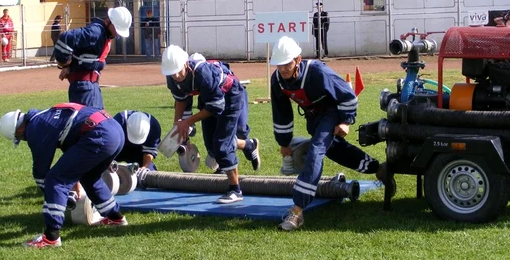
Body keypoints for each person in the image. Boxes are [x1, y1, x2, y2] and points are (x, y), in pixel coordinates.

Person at [269, 36, 388, 231]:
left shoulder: (317, 71)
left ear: (298, 60)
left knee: (316, 152)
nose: (282, 69)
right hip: (314, 119)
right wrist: (284, 142)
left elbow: (348, 95)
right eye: (278, 65)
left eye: (286, 64)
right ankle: (377, 168)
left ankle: (297, 211)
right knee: (334, 150)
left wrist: (345, 120)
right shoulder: (278, 80)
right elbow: (281, 113)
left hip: (332, 113)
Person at [0, 103, 127, 248]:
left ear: (19, 128)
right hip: (113, 130)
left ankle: (51, 237)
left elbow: (41, 171)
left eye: (19, 137)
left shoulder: (36, 127)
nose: (23, 139)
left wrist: (57, 195)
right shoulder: (44, 116)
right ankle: (116, 217)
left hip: (99, 134)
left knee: (55, 179)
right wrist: (72, 185)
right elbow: (73, 155)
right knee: (90, 177)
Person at [161, 45, 260, 204]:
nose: (176, 75)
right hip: (210, 98)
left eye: (179, 70)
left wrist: (187, 122)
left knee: (222, 145)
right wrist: (178, 125)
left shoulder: (203, 73)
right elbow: (181, 100)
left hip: (230, 96)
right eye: (172, 73)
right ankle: (249, 145)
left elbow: (216, 106)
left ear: (186, 63)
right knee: (212, 148)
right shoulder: (172, 76)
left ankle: (235, 190)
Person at [53, 7, 132, 109]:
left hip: (90, 86)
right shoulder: (95, 32)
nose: (117, 34)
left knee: (99, 120)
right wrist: (64, 63)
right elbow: (66, 38)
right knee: (91, 122)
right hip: (83, 87)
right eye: (116, 29)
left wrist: (68, 66)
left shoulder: (104, 34)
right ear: (108, 21)